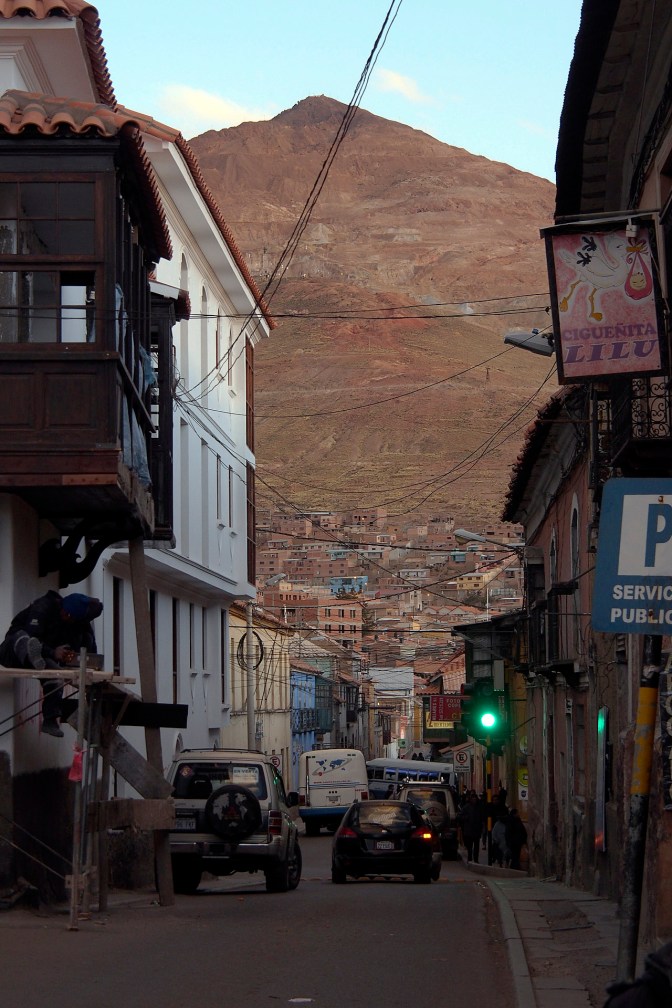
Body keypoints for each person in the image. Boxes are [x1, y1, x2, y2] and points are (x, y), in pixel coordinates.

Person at [0, 590, 103, 738]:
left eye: (70, 617)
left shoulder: (80, 623)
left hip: (42, 659)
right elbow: (32, 637)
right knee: (24, 640)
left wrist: (84, 661)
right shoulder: (43, 607)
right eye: (65, 614)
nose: (66, 617)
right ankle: (35, 657)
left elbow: (90, 649)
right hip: (13, 650)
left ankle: (50, 720)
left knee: (55, 674)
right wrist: (52, 652)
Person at [459, 790, 485, 864]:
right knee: (469, 846)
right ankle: (470, 858)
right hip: (469, 830)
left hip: (477, 830)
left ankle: (476, 859)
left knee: (476, 846)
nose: (474, 800)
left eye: (475, 799)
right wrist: (467, 818)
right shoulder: (466, 807)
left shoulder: (479, 808)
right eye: (472, 799)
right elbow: (460, 816)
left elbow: (482, 817)